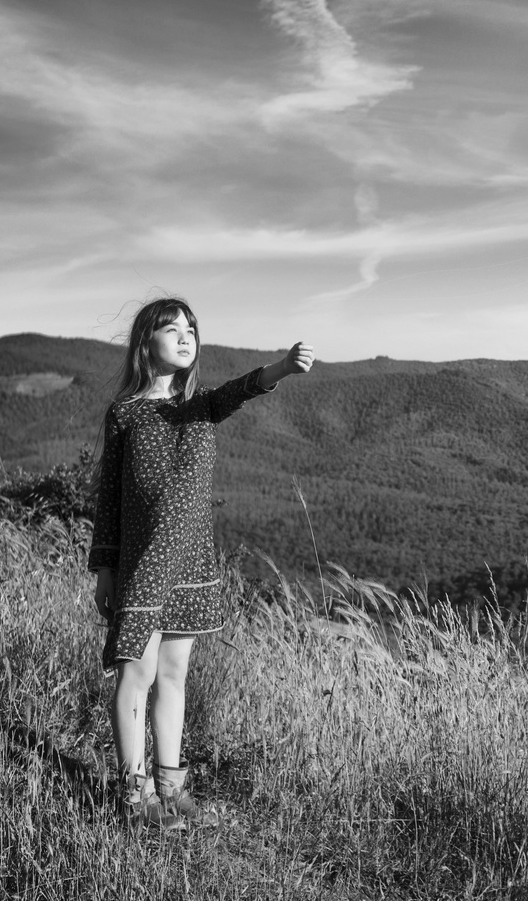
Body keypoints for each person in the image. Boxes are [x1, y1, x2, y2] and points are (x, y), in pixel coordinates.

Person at [88, 297, 314, 829]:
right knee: (134, 675)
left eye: (192, 329)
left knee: (173, 676)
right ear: (146, 343)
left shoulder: (202, 406)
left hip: (190, 566)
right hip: (142, 564)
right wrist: (104, 568)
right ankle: (132, 796)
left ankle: (169, 788)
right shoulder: (124, 412)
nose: (186, 336)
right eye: (172, 329)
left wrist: (282, 367)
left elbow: (244, 388)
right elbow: (110, 500)